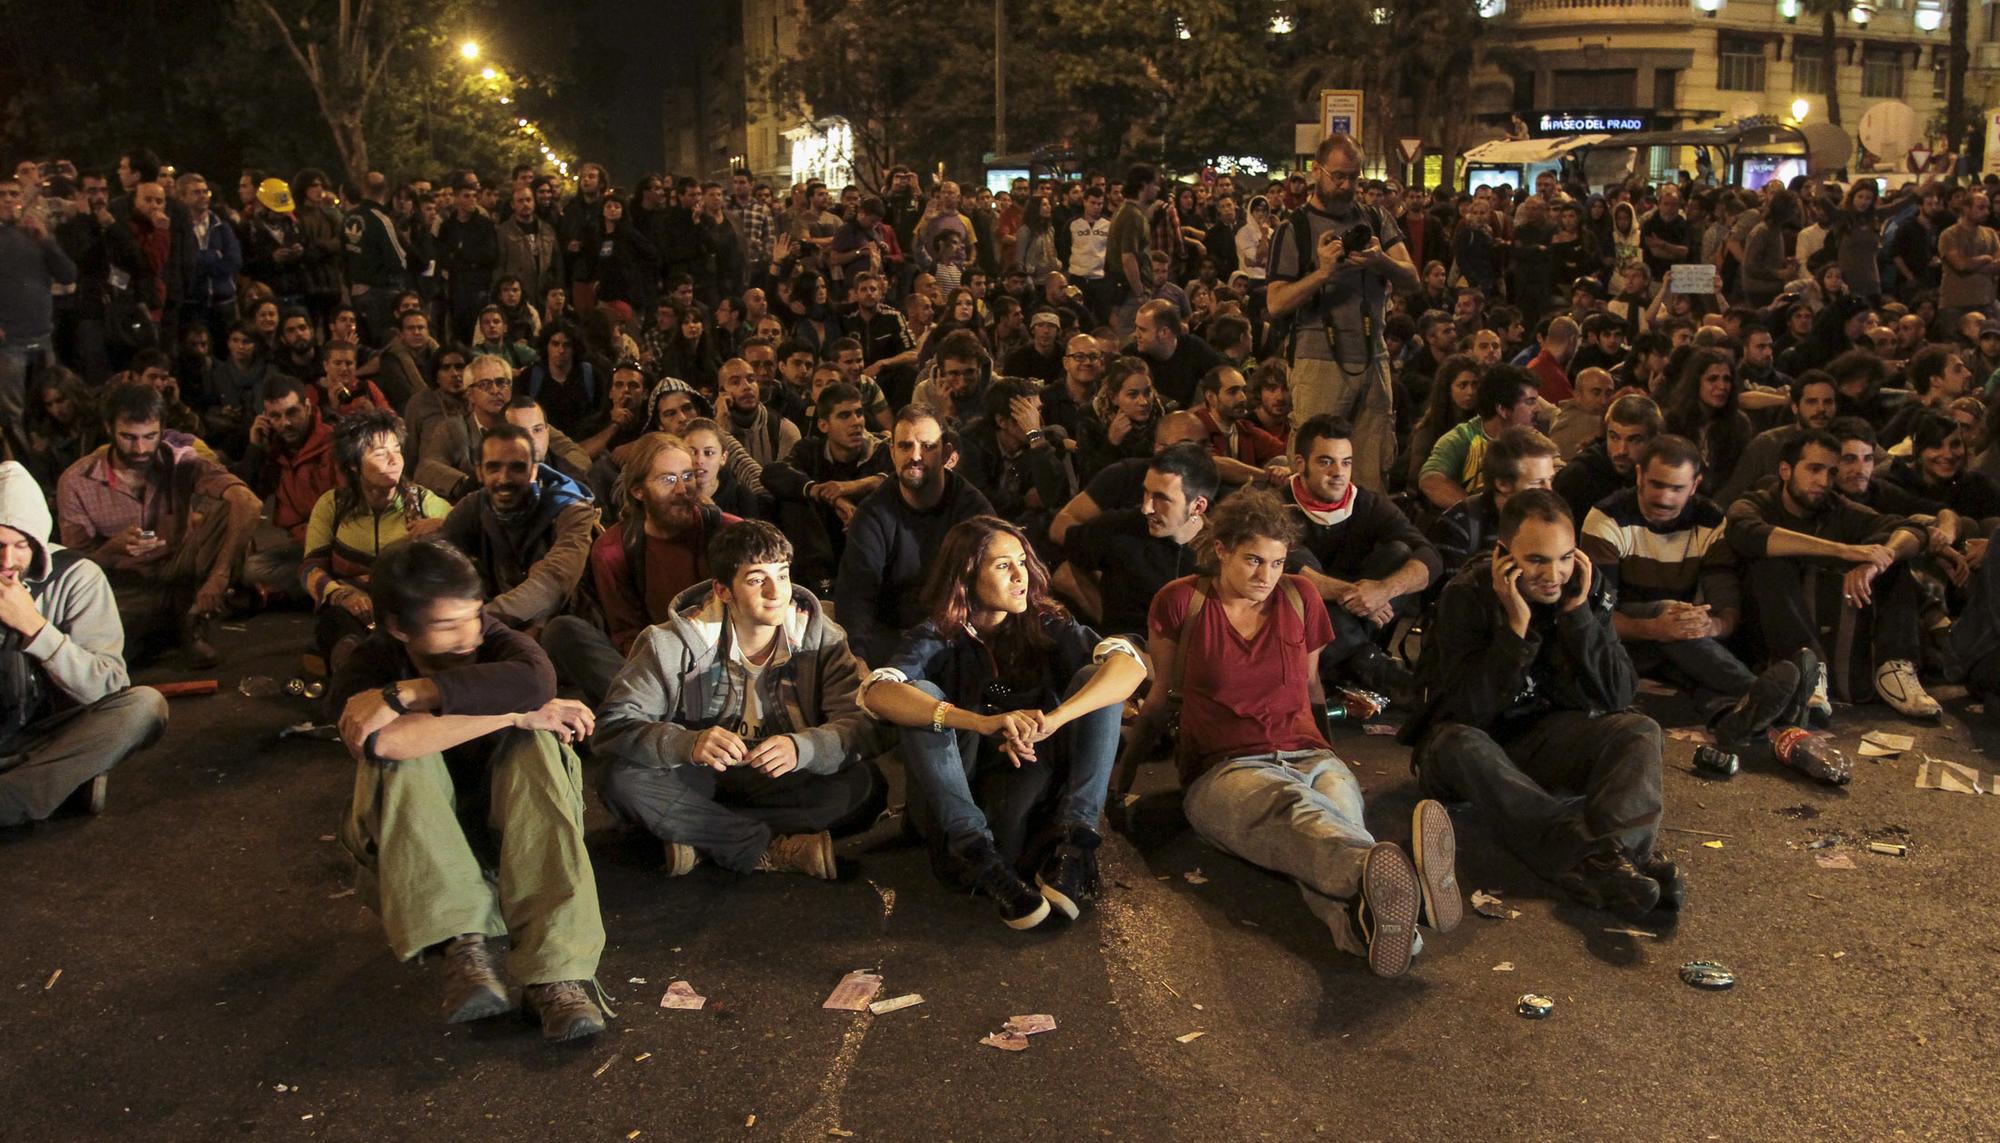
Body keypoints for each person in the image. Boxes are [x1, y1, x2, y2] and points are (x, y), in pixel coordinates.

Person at [1123, 489, 1461, 975]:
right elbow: (1159, 699)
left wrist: (1329, 755)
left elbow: (1311, 686)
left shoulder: (1300, 597)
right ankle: (1411, 890)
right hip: (1225, 770)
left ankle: (1374, 930)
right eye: (1253, 560)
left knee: (1330, 823)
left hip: (1308, 754)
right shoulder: (1181, 601)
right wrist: (1119, 782)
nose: (1266, 576)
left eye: (1278, 563)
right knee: (1300, 814)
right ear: (1221, 550)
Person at [329, 538, 607, 1041]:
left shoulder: (497, 640)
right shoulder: (366, 664)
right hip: (417, 850)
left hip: (514, 834)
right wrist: (514, 714)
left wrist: (410, 695)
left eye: (474, 616)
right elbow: (386, 742)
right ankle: (462, 948)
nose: (469, 634)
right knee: (403, 758)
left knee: (535, 744)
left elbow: (535, 684)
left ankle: (555, 973)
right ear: (399, 627)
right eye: (446, 624)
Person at [1404, 488, 1678, 921]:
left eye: (1565, 557)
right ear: (1504, 554)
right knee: (1461, 743)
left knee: (1639, 730)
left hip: (1542, 737)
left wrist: (1579, 617)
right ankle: (1593, 859)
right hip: (1463, 750)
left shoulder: (1581, 587)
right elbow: (1465, 712)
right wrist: (1515, 630)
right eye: (1536, 560)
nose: (1554, 574)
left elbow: (1618, 695)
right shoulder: (1467, 594)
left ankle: (1618, 862)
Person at [860, 516, 1145, 926]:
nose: (1020, 575)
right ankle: (976, 853)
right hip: (962, 785)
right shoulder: (937, 634)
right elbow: (877, 692)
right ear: (967, 575)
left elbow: (1130, 668)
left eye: (1022, 562)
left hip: (1030, 765)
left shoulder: (1044, 621)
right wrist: (979, 722)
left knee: (1096, 678)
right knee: (921, 693)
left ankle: (1077, 844)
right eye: (1002, 565)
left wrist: (1055, 719)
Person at [594, 519, 887, 879]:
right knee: (619, 780)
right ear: (723, 591)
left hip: (779, 779)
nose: (776, 592)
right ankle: (766, 847)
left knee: (865, 785)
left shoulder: (820, 636)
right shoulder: (668, 643)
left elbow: (859, 723)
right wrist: (688, 743)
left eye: (782, 575)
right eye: (756, 580)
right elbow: (614, 726)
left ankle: (699, 836)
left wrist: (804, 748)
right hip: (699, 777)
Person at [1580, 435, 1808, 745]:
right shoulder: (1607, 519)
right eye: (1657, 484)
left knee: (1687, 650)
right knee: (1672, 615)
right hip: (1623, 640)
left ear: (1695, 484)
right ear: (1639, 475)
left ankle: (1730, 719)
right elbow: (1597, 617)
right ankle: (1761, 692)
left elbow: (1726, 603)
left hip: (1684, 641)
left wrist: (1712, 625)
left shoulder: (1710, 520)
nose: (1664, 498)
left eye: (1676, 488)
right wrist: (1655, 627)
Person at [1726, 430, 1939, 721]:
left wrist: (1873, 563)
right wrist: (1843, 551)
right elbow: (1747, 533)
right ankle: (1805, 669)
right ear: (1786, 470)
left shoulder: (1836, 507)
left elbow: (1912, 530)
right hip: (1765, 632)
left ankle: (1893, 667)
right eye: (1814, 469)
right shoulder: (1757, 503)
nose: (1824, 481)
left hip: (1833, 613)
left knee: (1892, 559)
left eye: (1831, 472)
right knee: (1770, 562)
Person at [0, 461, 168, 827]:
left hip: (41, 735)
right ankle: (64, 784)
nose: (7, 561)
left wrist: (35, 628)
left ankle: (15, 797)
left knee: (143, 707)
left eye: (21, 546)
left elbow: (108, 688)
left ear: (37, 542)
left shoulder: (77, 578)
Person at [56, 383, 259, 667]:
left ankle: (189, 623)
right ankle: (166, 625)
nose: (140, 448)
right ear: (109, 429)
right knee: (102, 652)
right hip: (123, 586)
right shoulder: (77, 480)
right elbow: (74, 568)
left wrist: (220, 576)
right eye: (128, 437)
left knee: (229, 509)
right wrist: (113, 548)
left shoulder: (180, 460)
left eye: (150, 436)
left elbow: (249, 503)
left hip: (180, 571)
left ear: (162, 429)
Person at [542, 433, 741, 706]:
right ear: (638, 491)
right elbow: (627, 636)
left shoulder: (730, 531)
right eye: (668, 479)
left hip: (726, 664)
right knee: (562, 632)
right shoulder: (614, 550)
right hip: (658, 668)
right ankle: (653, 709)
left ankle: (643, 713)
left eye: (687, 476)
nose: (682, 489)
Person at [1267, 137, 1419, 493]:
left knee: (1371, 469)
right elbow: (1275, 303)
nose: (1346, 185)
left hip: (1373, 356)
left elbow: (1412, 279)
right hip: (1317, 360)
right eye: (1338, 176)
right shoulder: (1294, 228)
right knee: (1317, 471)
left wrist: (1380, 260)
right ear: (1316, 171)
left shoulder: (1376, 219)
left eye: (1353, 176)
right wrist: (1322, 273)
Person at [1284, 414, 1438, 699]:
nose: (1338, 472)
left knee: (1401, 554)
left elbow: (1430, 557)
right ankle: (1367, 663)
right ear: (1300, 463)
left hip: (1356, 623)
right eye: (1326, 462)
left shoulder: (1367, 503)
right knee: (1293, 558)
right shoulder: (1276, 502)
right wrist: (1355, 596)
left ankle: (1351, 665)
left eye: (1346, 462)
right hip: (1300, 624)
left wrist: (1383, 590)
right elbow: (1289, 572)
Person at [834, 405, 995, 665]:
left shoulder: (973, 509)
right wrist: (858, 657)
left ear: (946, 454)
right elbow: (856, 594)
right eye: (905, 446)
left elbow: (988, 586)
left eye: (928, 446)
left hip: (957, 634)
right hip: (893, 635)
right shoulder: (873, 513)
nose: (915, 456)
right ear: (892, 453)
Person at [301, 407, 449, 675]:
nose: (394, 460)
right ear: (354, 464)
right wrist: (341, 594)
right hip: (352, 611)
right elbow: (310, 568)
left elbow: (468, 528)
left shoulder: (422, 502)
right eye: (380, 453)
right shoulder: (332, 505)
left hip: (406, 608)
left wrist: (443, 526)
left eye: (397, 450)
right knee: (338, 627)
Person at [438, 424, 597, 632]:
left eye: (517, 468)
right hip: (494, 625)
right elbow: (438, 562)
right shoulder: (475, 505)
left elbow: (555, 580)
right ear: (480, 472)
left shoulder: (570, 508)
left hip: (564, 627)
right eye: (494, 468)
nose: (504, 479)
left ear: (534, 471)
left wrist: (476, 621)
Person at [1057, 443, 1216, 634]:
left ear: (1198, 506)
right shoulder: (1119, 527)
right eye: (1146, 492)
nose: (1146, 508)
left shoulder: (1218, 553)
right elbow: (1074, 553)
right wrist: (1100, 611)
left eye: (1161, 498)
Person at [234, 376, 338, 600]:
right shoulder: (275, 449)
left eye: (292, 413)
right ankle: (320, 588)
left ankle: (298, 592)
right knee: (247, 568)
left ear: (307, 407)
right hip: (302, 545)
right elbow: (246, 498)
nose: (285, 423)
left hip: (335, 543)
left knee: (259, 574)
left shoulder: (333, 443)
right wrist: (255, 450)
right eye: (276, 416)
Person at [0, 176, 79, 463]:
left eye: (14, 193)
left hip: (42, 336)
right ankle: (24, 466)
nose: (9, 199)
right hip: (9, 342)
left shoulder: (35, 234)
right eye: (2, 194)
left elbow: (68, 275)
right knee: (14, 411)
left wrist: (46, 241)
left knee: (52, 401)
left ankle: (56, 459)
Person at [1427, 426, 1561, 581]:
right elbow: (1453, 592)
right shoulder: (1458, 527)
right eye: (1537, 482)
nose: (1549, 491)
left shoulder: (1551, 520)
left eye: (1550, 480)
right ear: (1503, 484)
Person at [1419, 364, 1541, 510]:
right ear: (1502, 409)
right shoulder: (1461, 438)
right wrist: (1482, 513)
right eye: (1530, 402)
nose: (1538, 408)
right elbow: (1430, 480)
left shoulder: (1533, 439)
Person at [1718, 370, 1839, 504]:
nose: (1821, 409)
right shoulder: (1767, 444)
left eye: (1828, 402)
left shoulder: (1846, 445)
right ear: (1795, 407)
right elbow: (1730, 496)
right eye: (1812, 402)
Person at [1552, 393, 1661, 522]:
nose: (1622, 451)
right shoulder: (1576, 477)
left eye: (1634, 440)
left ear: (1654, 440)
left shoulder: (1663, 475)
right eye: (1614, 437)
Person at [1128, 298, 1225, 410]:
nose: (1136, 334)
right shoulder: (1130, 356)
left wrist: (1194, 412)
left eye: (1142, 330)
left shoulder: (1193, 347)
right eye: (1136, 327)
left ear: (1164, 332)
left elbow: (1225, 380)